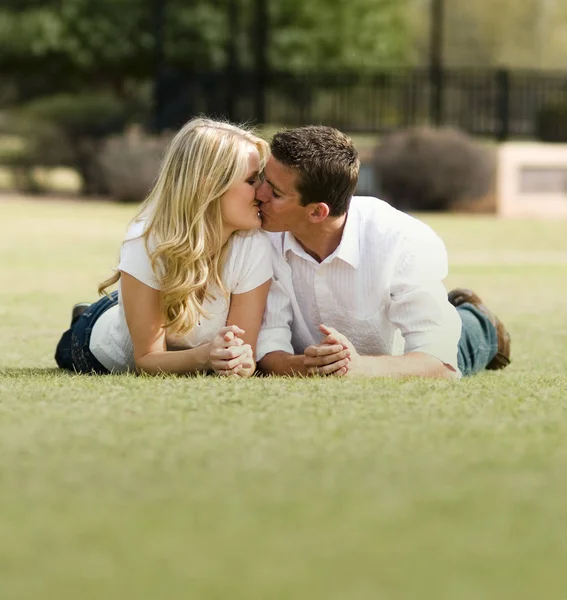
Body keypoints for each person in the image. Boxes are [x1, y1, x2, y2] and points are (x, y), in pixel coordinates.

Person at [254, 125, 511, 378]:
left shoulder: (402, 240)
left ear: (317, 212)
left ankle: (479, 321)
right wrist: (308, 366)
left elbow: (439, 363)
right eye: (263, 179)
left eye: (275, 192)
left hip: (400, 356)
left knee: (460, 348)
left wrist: (356, 367)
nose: (259, 193)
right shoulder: (260, 235)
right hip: (333, 353)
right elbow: (267, 347)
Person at [55, 117, 272, 377]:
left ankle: (125, 300)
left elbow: (241, 350)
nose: (263, 192)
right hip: (102, 342)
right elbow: (145, 360)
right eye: (251, 181)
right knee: (67, 349)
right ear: (209, 186)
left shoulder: (255, 244)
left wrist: (240, 359)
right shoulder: (147, 240)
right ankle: (86, 314)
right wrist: (205, 356)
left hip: (171, 326)